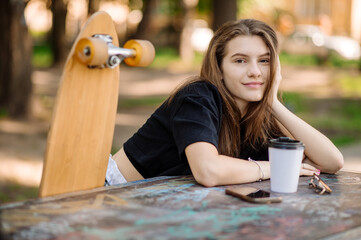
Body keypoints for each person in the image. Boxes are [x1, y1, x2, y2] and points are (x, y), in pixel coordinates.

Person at [105, 19, 344, 187]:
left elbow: (332, 161)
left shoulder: (258, 117)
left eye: (264, 61)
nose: (255, 72)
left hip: (156, 207)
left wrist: (273, 102)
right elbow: (208, 171)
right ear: (219, 69)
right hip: (106, 193)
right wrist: (275, 168)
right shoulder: (197, 97)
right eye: (240, 61)